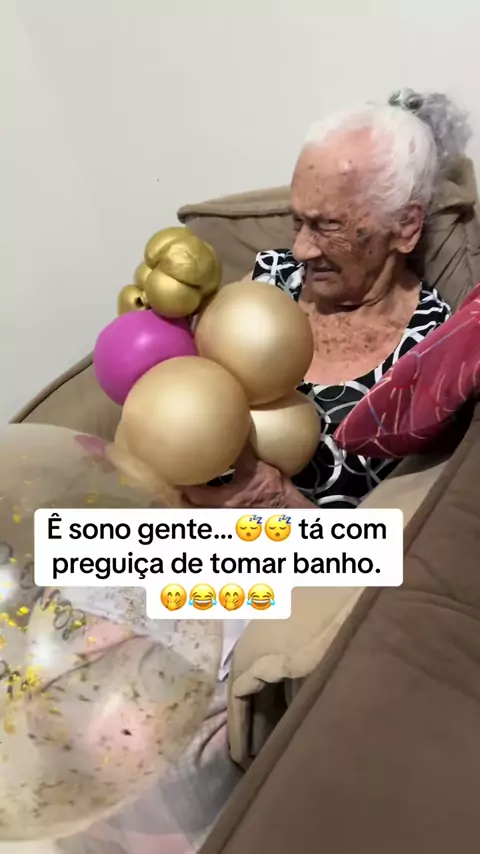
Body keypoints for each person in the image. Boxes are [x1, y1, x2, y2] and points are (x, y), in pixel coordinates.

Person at [185, 88, 470, 511]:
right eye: (298, 221)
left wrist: (284, 506)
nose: (301, 250)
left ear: (406, 226)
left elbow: (409, 533)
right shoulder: (270, 279)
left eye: (327, 225)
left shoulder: (432, 352)